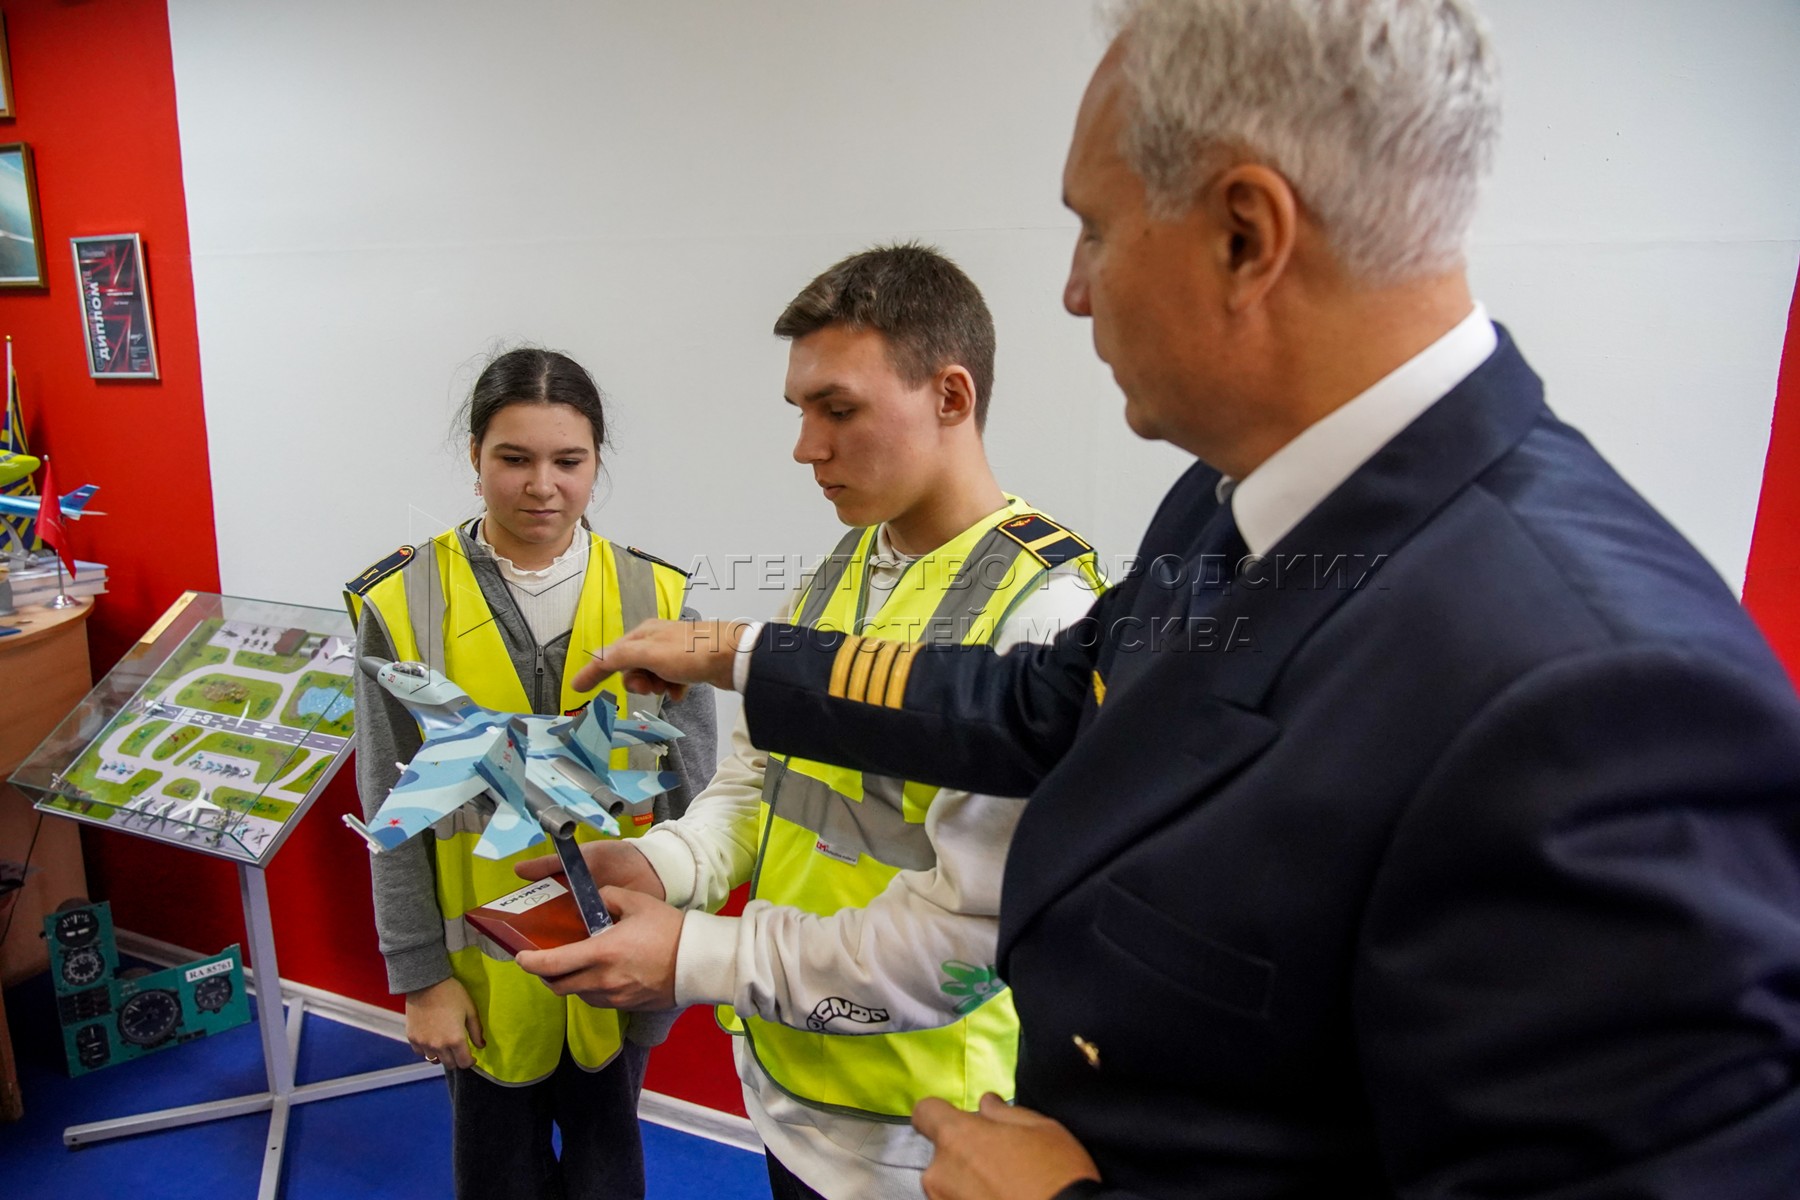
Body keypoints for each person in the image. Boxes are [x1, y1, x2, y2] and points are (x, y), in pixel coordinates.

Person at [562, 3, 1800, 1198]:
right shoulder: (1224, 502)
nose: (1073, 290)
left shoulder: (1605, 691)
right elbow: (1042, 704)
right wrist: (734, 653)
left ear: (1247, 237)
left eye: (1094, 230)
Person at [512, 244, 1106, 1200]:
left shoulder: (1046, 617)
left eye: (838, 410)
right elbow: (758, 784)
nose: (805, 447)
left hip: (932, 1132)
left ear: (951, 397)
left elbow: (968, 942)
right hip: (789, 1084)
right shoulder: (840, 571)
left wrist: (696, 956)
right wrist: (662, 865)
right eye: (800, 411)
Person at [343, 347, 716, 1200]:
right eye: (514, 458)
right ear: (474, 456)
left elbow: (690, 804)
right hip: (478, 976)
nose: (542, 487)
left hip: (617, 963)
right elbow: (388, 809)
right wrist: (420, 979)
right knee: (497, 1179)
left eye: (568, 461)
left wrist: (673, 964)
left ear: (597, 463)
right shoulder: (402, 604)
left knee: (607, 1173)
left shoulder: (658, 600)